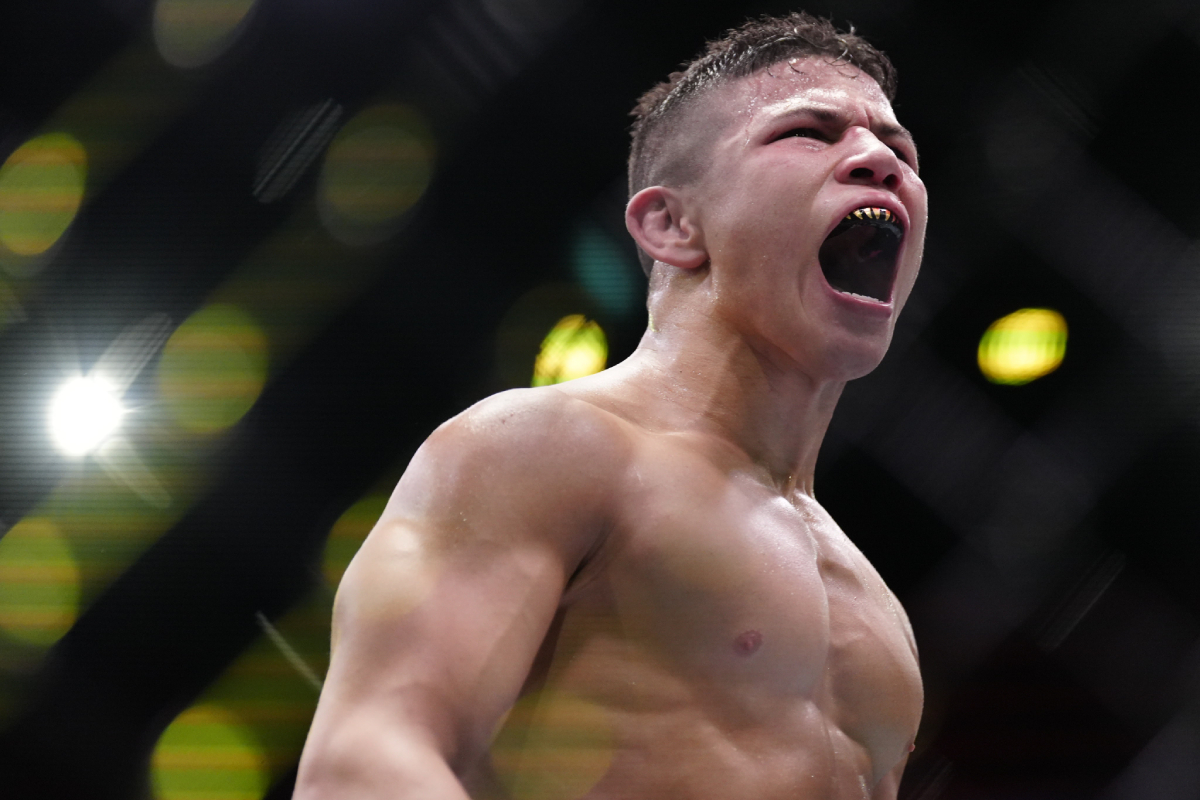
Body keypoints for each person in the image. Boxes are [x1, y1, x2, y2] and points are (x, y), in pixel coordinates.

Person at [294, 11, 927, 800]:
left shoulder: (879, 609)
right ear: (671, 224)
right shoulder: (544, 446)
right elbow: (362, 764)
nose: (879, 160)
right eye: (809, 132)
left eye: (900, 149)